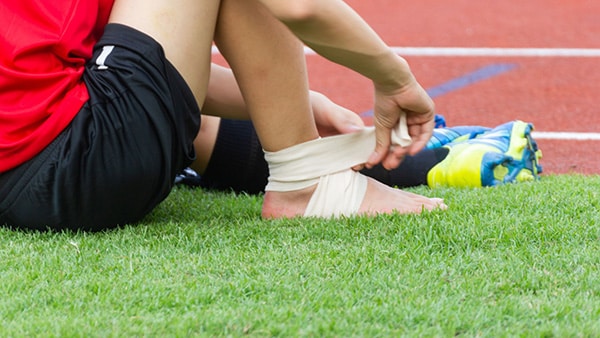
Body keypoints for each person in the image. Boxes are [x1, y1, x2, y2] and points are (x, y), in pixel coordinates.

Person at [1, 0, 446, 231]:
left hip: (15, 178)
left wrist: (301, 103)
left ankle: (442, 160)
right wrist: (395, 78)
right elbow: (298, 7)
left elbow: (127, 62)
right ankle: (305, 185)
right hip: (76, 167)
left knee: (204, 134)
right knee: (145, 128)